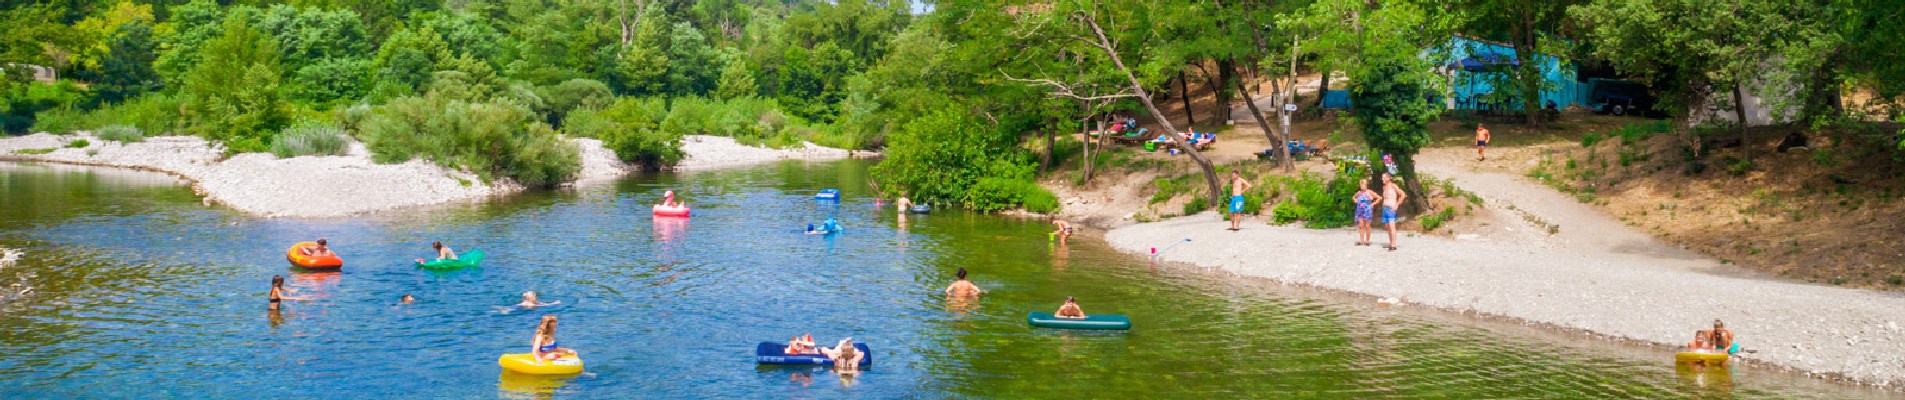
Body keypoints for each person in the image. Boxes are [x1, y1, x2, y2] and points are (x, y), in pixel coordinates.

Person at [1380, 173, 1407, 251]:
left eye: (1383, 178)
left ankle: (1393, 244)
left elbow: (1402, 194)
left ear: (1388, 178)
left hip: (1391, 207)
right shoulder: (1384, 187)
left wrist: (1397, 204)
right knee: (1387, 226)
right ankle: (1391, 242)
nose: (1382, 179)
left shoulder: (1393, 186)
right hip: (1385, 208)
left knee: (1392, 226)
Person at [1353, 177, 1378, 246]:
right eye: (1361, 185)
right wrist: (1355, 200)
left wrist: (1373, 203)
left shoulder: (1369, 192)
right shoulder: (1359, 192)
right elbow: (1354, 197)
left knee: (1367, 225)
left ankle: (1367, 240)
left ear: (1366, 185)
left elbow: (1379, 198)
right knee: (1361, 225)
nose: (1362, 186)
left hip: (1367, 210)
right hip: (1360, 210)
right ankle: (1361, 240)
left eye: (1363, 185)